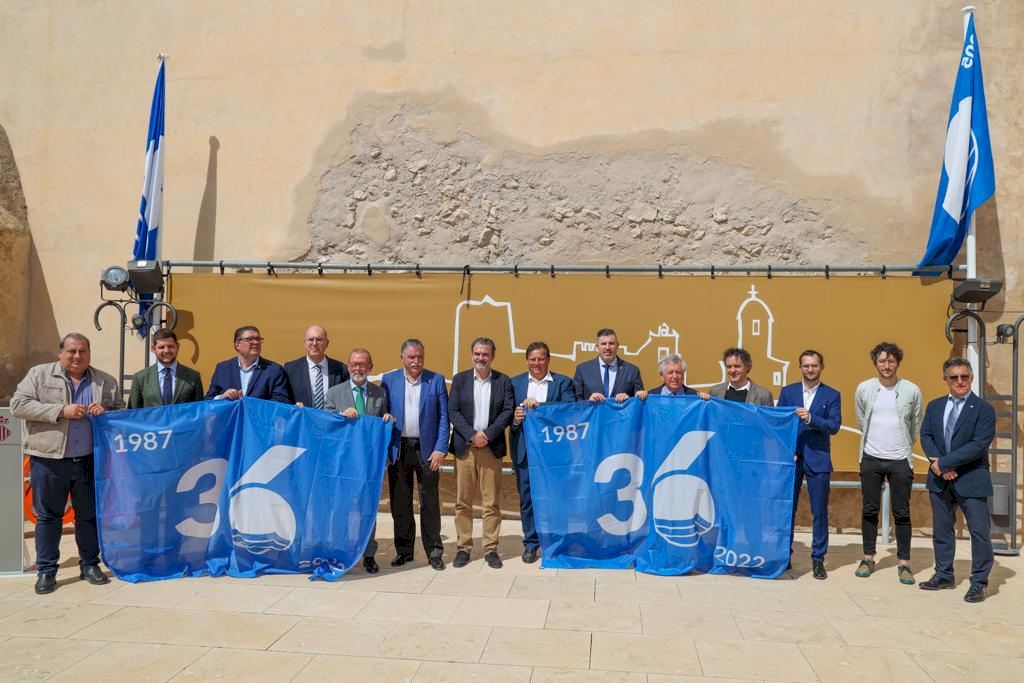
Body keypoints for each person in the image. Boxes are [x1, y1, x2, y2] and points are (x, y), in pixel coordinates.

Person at [11, 333, 122, 594]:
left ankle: (90, 564)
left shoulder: (105, 380)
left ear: (89, 353)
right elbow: (18, 405)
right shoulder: (39, 375)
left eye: (83, 351)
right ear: (60, 352)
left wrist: (105, 412)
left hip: (89, 460)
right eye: (71, 351)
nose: (77, 356)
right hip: (49, 459)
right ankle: (47, 570)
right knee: (48, 516)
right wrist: (61, 411)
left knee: (88, 516)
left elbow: (120, 410)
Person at [918, 358, 995, 603]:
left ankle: (979, 583)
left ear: (971, 378)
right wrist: (940, 467)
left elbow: (978, 444)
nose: (959, 381)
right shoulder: (935, 406)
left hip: (972, 478)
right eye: (954, 377)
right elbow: (926, 436)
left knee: (979, 533)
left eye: (964, 377)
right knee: (942, 531)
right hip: (940, 480)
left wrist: (944, 463)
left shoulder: (983, 409)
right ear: (946, 379)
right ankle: (943, 575)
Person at [854, 341, 923, 584]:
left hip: (900, 459)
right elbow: (862, 419)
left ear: (897, 363)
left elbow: (915, 424)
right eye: (882, 361)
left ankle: (904, 563)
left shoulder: (911, 390)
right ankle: (868, 558)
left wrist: (903, 447)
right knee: (869, 510)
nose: (886, 365)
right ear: (875, 363)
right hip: (871, 458)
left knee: (902, 512)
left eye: (891, 361)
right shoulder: (864, 388)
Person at [380, 339, 449, 571]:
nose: (416, 361)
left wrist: (440, 448)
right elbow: (383, 414)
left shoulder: (436, 380)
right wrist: (386, 449)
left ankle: (434, 552)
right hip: (399, 448)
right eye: (411, 357)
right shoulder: (388, 380)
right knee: (400, 502)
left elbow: (443, 418)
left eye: (419, 357)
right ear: (402, 358)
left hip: (427, 450)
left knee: (429, 502)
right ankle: (404, 551)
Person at [324, 348, 394, 575]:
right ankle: (339, 552)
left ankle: (368, 554)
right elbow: (325, 424)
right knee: (340, 509)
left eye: (363, 364)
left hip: (368, 464)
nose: (358, 368)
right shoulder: (334, 393)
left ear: (370, 367)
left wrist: (387, 419)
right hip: (343, 463)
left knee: (367, 509)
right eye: (354, 364)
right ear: (348, 367)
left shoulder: (380, 393)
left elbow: (382, 423)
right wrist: (340, 415)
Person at [448, 337, 515, 569]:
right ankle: (463, 547)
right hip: (465, 449)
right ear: (471, 355)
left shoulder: (503, 381)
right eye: (477, 353)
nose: (481, 358)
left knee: (491, 502)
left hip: (491, 448)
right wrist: (472, 435)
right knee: (462, 502)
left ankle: (490, 548)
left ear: (492, 356)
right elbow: (453, 411)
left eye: (485, 354)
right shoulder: (460, 380)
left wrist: (486, 435)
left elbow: (507, 411)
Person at [777, 350, 842, 579]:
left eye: (814, 365)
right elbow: (780, 424)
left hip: (818, 459)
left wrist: (812, 419)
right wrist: (787, 451)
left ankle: (818, 559)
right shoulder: (788, 392)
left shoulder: (832, 394)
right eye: (806, 365)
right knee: (787, 509)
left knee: (819, 512)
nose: (810, 369)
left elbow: (834, 426)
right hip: (792, 459)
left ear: (822, 367)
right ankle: (784, 555)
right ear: (800, 367)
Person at [509, 342, 576, 563]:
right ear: (527, 361)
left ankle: (559, 542)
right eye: (532, 359)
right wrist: (515, 419)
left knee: (558, 499)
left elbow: (569, 411)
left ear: (548, 360)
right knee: (527, 500)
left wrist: (541, 407)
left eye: (540, 359)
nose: (536, 363)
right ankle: (531, 544)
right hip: (525, 452)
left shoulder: (563, 382)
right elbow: (504, 414)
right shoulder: (515, 383)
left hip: (555, 454)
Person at [205, 325, 290, 402]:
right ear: (237, 345)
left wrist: (251, 404)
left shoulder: (274, 370)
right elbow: (208, 400)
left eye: (258, 339)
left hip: (259, 415)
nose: (256, 342)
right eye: (250, 339)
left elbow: (282, 400)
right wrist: (222, 397)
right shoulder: (223, 369)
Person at [127, 329, 204, 408]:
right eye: (161, 347)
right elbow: (133, 412)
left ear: (178, 347)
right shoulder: (140, 378)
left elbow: (200, 410)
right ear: (153, 348)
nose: (166, 351)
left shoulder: (193, 377)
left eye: (170, 346)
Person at [283, 325, 349, 409]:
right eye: (311, 339)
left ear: (327, 343)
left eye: (319, 340)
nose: (314, 343)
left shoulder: (341, 369)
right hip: (302, 417)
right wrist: (293, 407)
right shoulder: (290, 369)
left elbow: (347, 398)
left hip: (331, 417)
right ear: (305, 343)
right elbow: (284, 399)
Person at [572, 328, 645, 402]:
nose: (607, 347)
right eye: (603, 344)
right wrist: (589, 402)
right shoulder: (583, 370)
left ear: (617, 346)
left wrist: (629, 400)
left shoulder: (632, 371)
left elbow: (639, 400)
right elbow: (575, 402)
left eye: (611, 343)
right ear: (597, 347)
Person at [709, 348, 774, 406]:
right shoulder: (715, 391)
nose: (732, 370)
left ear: (748, 367)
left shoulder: (763, 395)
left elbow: (768, 416)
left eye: (737, 366)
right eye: (729, 367)